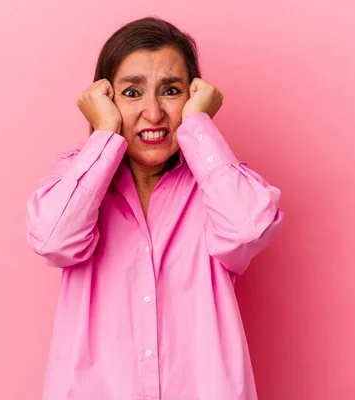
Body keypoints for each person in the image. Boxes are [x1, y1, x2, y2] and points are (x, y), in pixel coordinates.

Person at [26, 16, 284, 400]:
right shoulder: (76, 180)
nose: (153, 113)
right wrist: (103, 135)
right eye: (132, 93)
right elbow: (53, 239)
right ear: (105, 101)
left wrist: (197, 126)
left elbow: (248, 229)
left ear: (194, 95)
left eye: (171, 91)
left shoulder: (218, 186)